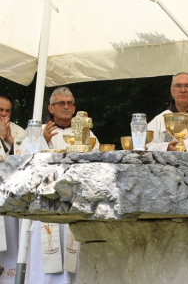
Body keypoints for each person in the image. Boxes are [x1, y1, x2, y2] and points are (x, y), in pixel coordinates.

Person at [22, 87, 99, 284]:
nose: (66, 107)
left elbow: (97, 165)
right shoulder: (37, 133)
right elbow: (23, 162)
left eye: (70, 103)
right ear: (50, 108)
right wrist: (42, 140)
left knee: (74, 260)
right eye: (61, 103)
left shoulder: (88, 136)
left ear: (74, 109)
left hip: (75, 205)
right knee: (44, 261)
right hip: (45, 207)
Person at [147, 72, 188, 152]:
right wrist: (166, 147)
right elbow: (144, 145)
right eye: (178, 86)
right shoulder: (160, 119)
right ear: (172, 91)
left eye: (187, 86)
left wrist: (187, 146)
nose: (182, 90)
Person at [0, 96, 25, 279]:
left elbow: (24, 160)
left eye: (8, 111)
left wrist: (9, 140)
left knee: (11, 238)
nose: (4, 114)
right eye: (0, 110)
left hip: (10, 195)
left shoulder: (18, 132)